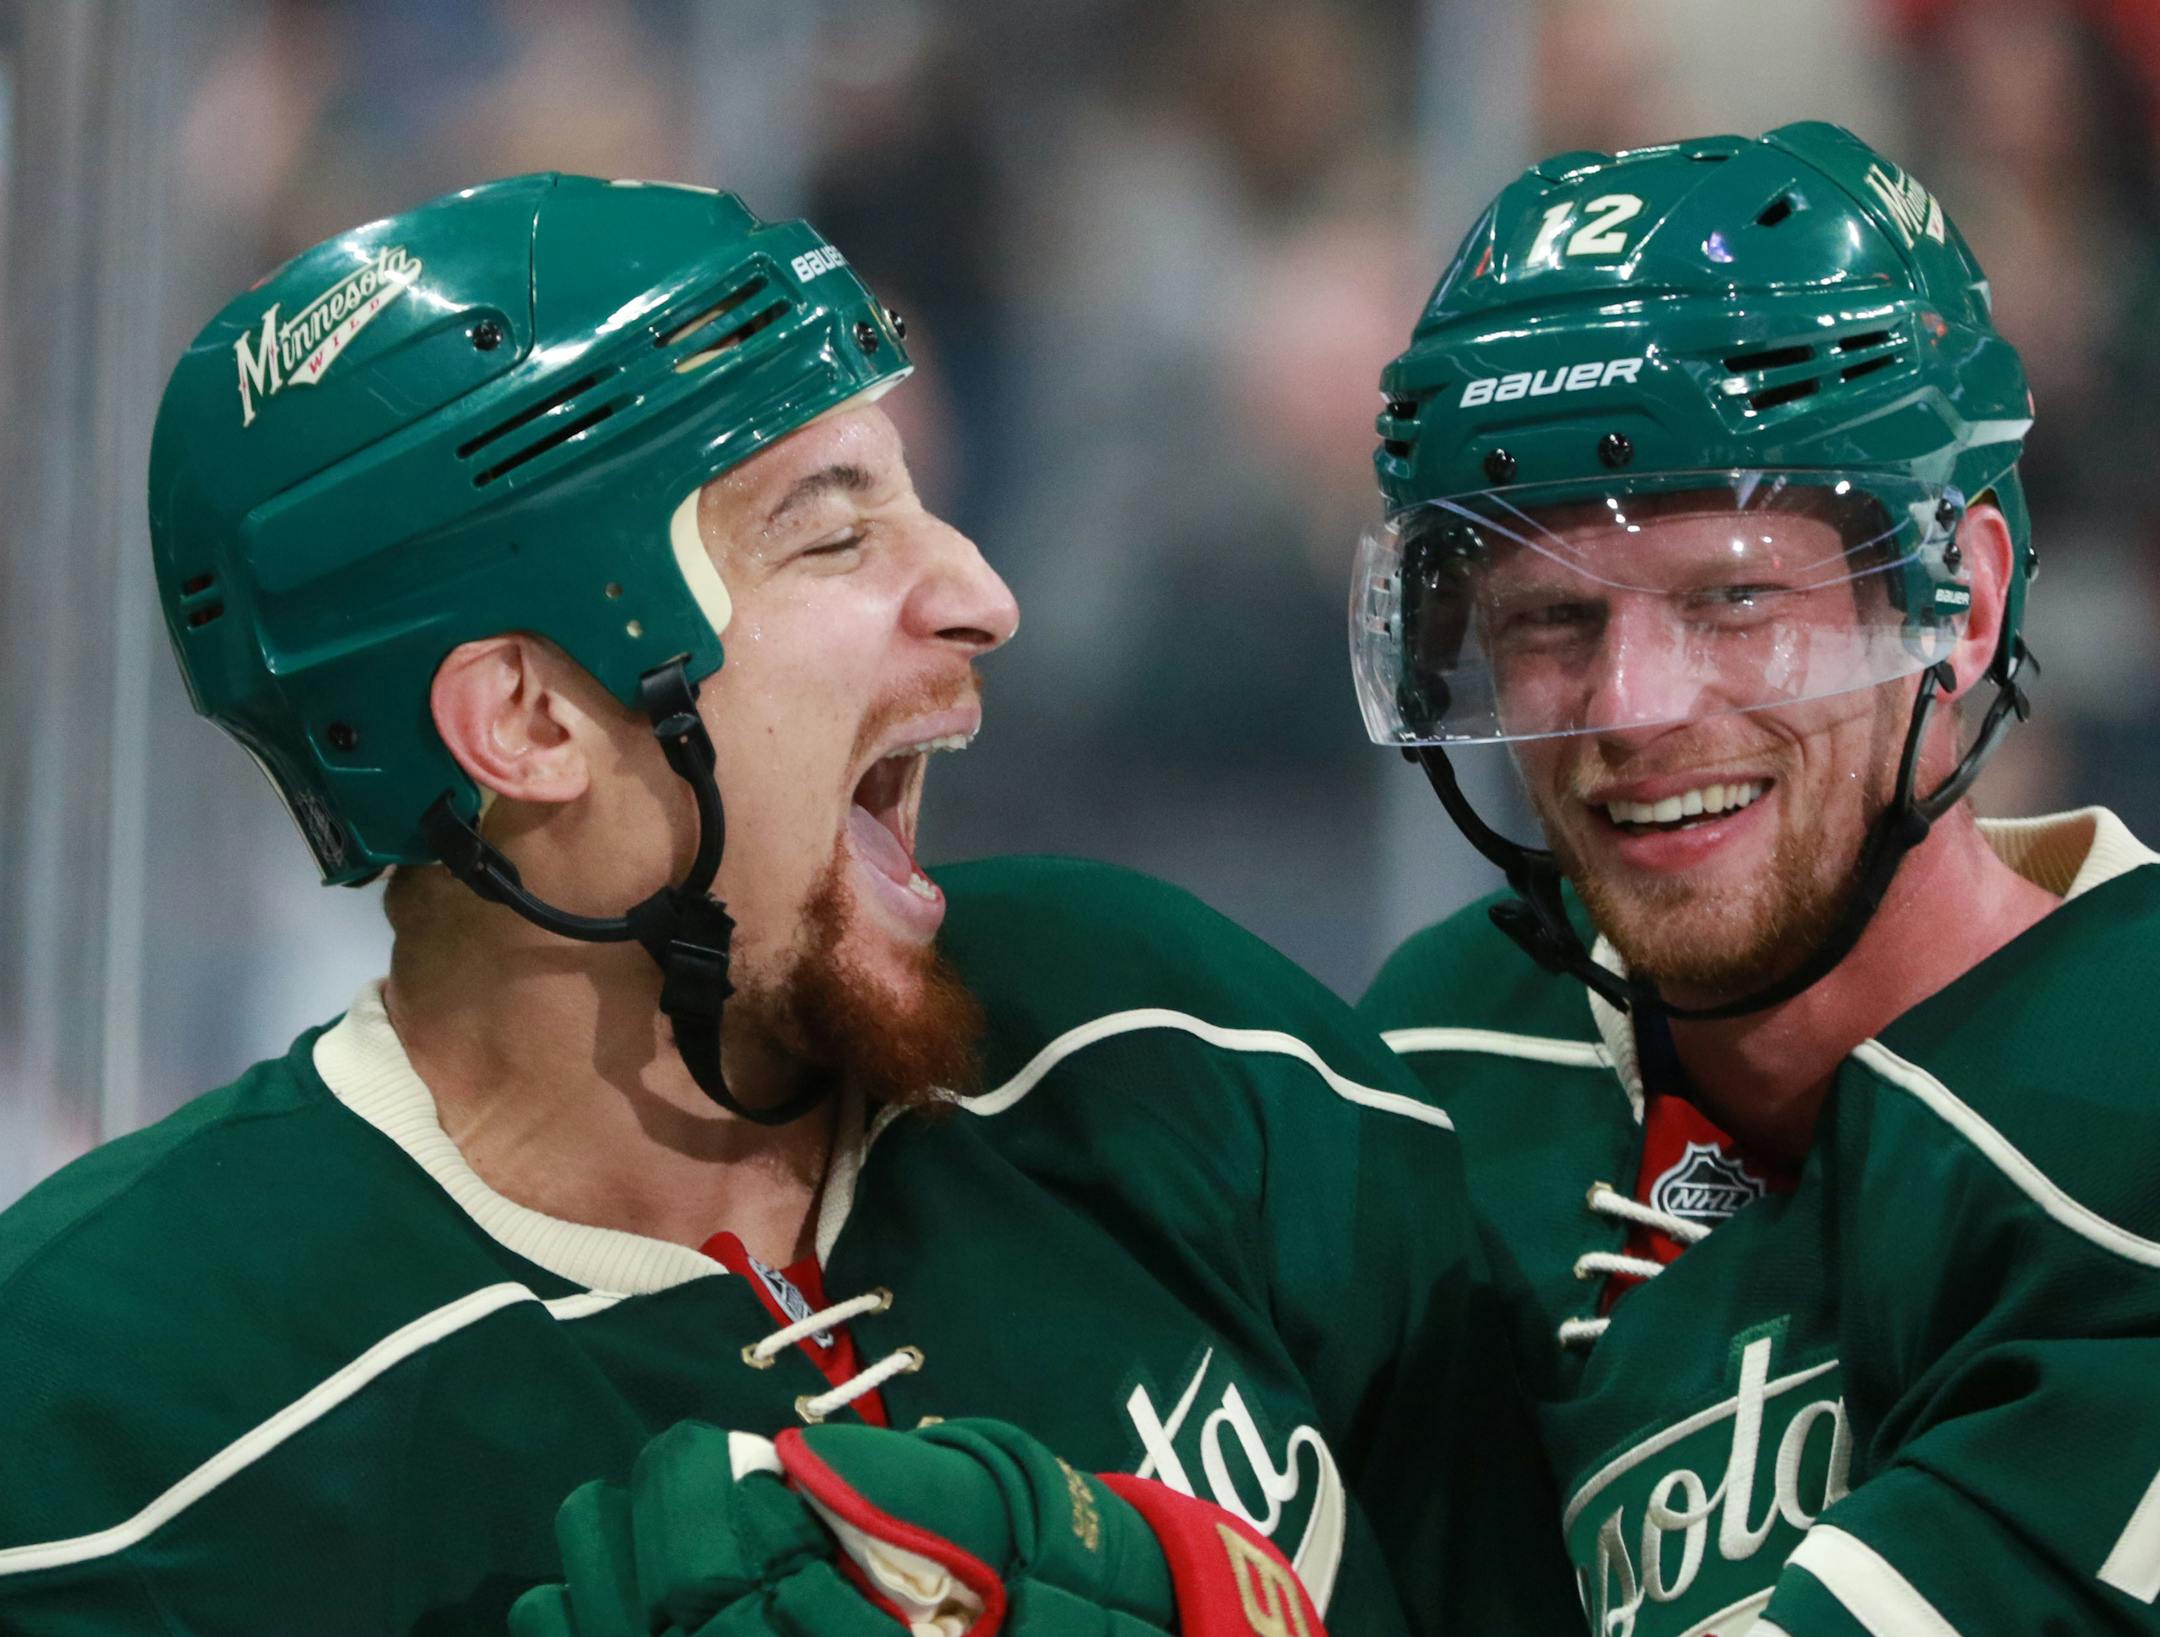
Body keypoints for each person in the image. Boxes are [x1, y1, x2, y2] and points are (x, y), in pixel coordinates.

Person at [0, 174, 1574, 1635]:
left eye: (918, 499)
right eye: (832, 533)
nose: (980, 592)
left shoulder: (1168, 1036)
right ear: (531, 722)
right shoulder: (104, 1418)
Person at [1351, 119, 2160, 1635]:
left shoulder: (2134, 1100)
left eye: (1734, 599)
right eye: (1547, 620)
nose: (1635, 709)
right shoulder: (1438, 1063)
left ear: (1964, 606)